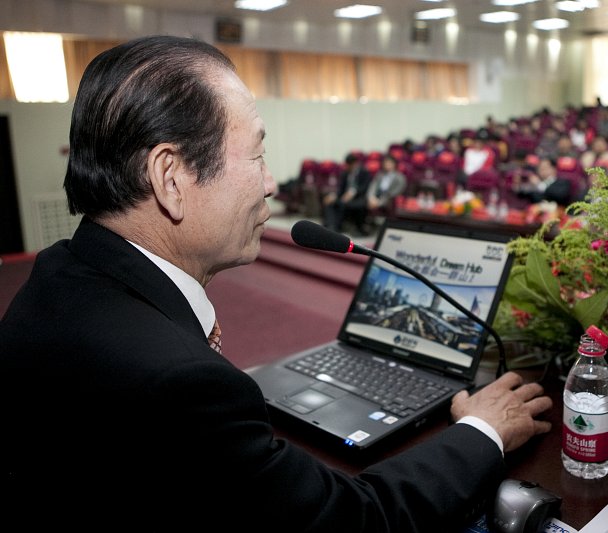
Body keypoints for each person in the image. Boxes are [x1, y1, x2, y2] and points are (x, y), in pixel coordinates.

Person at [0, 36, 553, 531]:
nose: (270, 183)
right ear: (171, 178)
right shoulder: (177, 382)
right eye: (257, 154)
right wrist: (483, 430)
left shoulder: (56, 276)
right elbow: (356, 521)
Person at [323, 152, 372, 235]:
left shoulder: (364, 172)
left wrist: (352, 192)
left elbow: (364, 188)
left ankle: (337, 226)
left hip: (359, 198)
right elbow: (341, 189)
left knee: (344, 204)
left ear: (355, 163)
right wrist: (333, 195)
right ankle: (330, 225)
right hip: (344, 197)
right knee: (330, 203)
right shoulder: (345, 173)